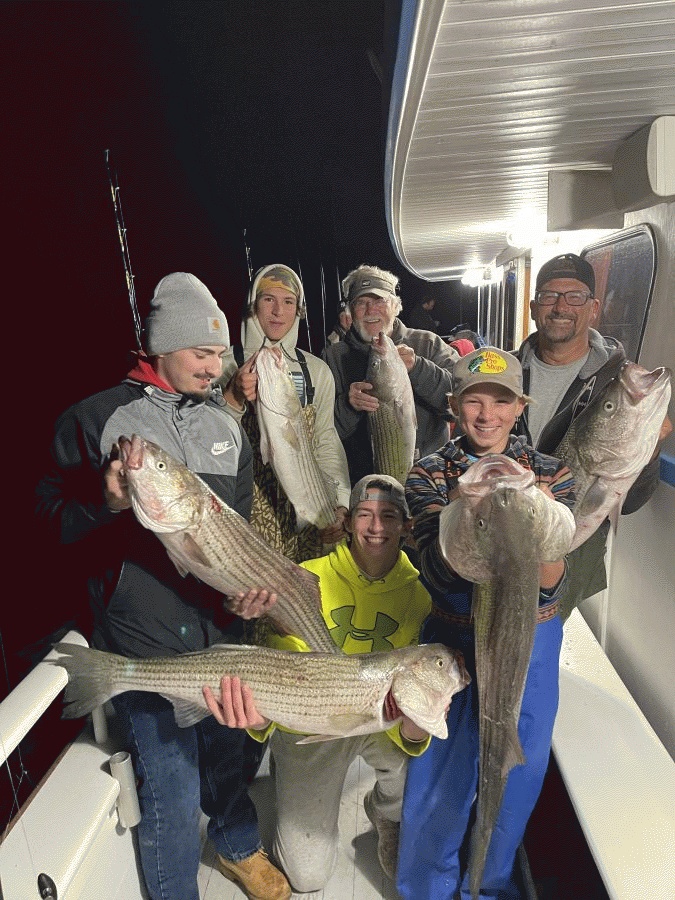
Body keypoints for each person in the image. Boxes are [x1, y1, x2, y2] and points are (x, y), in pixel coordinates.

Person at [35, 272, 291, 900]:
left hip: (221, 630)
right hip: (145, 636)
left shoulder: (227, 428)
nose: (215, 367)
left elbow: (230, 532)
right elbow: (44, 521)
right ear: (160, 344)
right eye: (202, 353)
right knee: (171, 784)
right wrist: (105, 500)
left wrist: (246, 595)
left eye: (220, 354)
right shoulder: (95, 419)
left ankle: (236, 845)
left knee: (230, 751)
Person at [396, 346, 575, 900]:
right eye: (473, 400)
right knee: (438, 776)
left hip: (533, 636)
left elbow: (551, 581)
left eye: (500, 401)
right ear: (453, 405)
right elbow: (436, 571)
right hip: (451, 632)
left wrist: (538, 518)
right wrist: (464, 511)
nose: (486, 414)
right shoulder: (426, 473)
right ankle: (427, 887)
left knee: (515, 770)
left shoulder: (551, 473)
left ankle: (488, 886)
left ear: (519, 407)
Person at [203, 474, 436, 894]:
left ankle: (385, 810)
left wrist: (417, 731)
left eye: (388, 516)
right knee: (307, 877)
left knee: (422, 764)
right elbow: (279, 672)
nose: (376, 527)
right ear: (347, 522)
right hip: (309, 723)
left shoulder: (421, 595)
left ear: (406, 525)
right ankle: (287, 769)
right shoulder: (304, 578)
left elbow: (412, 698)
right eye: (364, 515)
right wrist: (260, 719)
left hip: (375, 721)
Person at [515, 252, 672, 619]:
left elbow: (628, 503)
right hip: (506, 541)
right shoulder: (505, 372)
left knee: (540, 656)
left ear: (594, 307)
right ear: (535, 306)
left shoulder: (611, 380)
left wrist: (650, 449)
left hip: (571, 559)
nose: (560, 307)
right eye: (550, 296)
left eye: (575, 297)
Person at [219, 264, 351, 561]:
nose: (278, 311)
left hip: (306, 523)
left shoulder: (316, 370)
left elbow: (325, 440)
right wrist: (234, 398)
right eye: (269, 299)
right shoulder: (221, 365)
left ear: (299, 310)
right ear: (252, 305)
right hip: (245, 520)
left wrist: (340, 502)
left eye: (289, 302)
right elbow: (208, 444)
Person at [322, 264, 459, 486]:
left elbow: (460, 404)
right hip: (365, 490)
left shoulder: (429, 343)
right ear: (349, 311)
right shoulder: (333, 357)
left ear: (396, 306)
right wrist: (348, 406)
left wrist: (418, 368)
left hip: (432, 483)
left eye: (379, 301)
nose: (370, 310)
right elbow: (322, 433)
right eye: (361, 303)